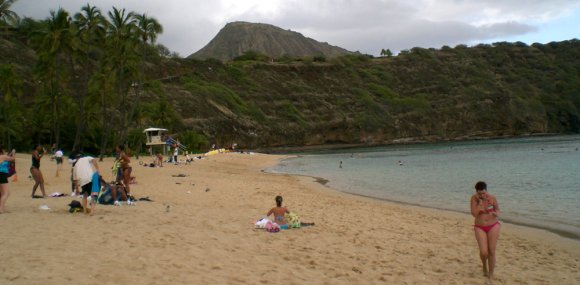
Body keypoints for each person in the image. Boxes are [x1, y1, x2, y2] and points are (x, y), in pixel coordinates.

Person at [470, 181, 501, 281]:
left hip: (493, 226)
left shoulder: (492, 198)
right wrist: (479, 205)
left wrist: (496, 214)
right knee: (484, 252)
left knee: (491, 251)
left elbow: (498, 210)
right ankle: (484, 266)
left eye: (484, 193)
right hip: (480, 227)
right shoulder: (474, 199)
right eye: (480, 193)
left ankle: (491, 274)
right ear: (476, 192)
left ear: (486, 190)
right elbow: (474, 214)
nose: (482, 195)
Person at [0, 147, 16, 213]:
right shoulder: (3, 156)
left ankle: (2, 208)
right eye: (4, 150)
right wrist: (14, 153)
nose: (5, 151)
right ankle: (1, 209)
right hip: (2, 175)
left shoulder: (3, 157)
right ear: (2, 151)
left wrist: (10, 154)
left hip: (1, 175)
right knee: (6, 193)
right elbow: (12, 159)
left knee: (2, 193)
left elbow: (7, 157)